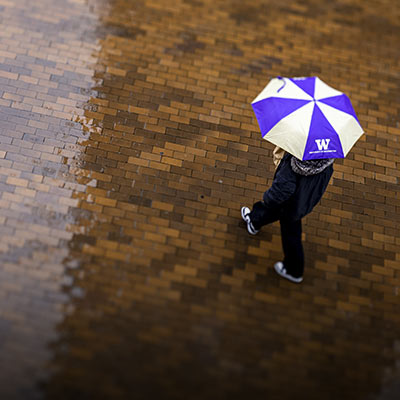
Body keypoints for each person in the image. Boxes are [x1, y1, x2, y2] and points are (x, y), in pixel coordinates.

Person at [241, 150, 334, 283]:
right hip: (304, 201)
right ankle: (254, 220)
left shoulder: (294, 164)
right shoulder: (327, 161)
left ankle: (294, 270)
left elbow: (281, 191)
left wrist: (267, 198)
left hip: (291, 204)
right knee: (281, 213)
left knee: (290, 232)